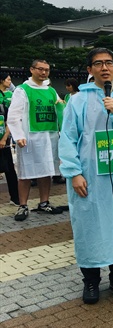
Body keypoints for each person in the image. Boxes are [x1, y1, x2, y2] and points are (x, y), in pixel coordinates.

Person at [58, 48, 113, 304]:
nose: (104, 67)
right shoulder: (77, 101)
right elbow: (68, 139)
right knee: (90, 227)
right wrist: (74, 173)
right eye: (98, 64)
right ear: (90, 70)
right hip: (90, 177)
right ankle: (91, 280)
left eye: (109, 63)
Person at [7, 60, 63, 221]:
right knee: (26, 172)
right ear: (32, 70)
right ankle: (23, 205)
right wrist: (19, 136)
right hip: (30, 138)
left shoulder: (51, 91)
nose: (44, 72)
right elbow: (13, 115)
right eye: (40, 69)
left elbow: (60, 110)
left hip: (49, 137)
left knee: (47, 171)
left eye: (47, 70)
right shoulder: (22, 90)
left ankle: (44, 202)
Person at [0, 76, 18, 206]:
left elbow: (10, 119)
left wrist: (5, 138)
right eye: (8, 79)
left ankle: (15, 197)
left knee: (9, 168)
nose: (10, 82)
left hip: (3, 138)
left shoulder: (11, 95)